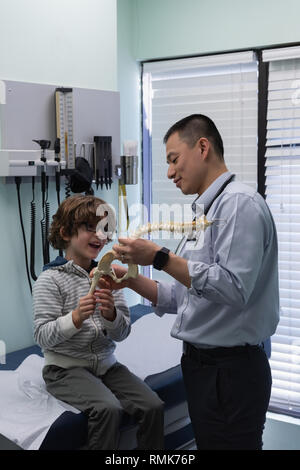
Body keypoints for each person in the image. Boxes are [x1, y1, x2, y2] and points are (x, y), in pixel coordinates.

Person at [107, 114, 280, 450]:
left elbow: (232, 287)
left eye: (174, 160)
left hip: (230, 373)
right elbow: (186, 296)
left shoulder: (238, 205)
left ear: (203, 147)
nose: (170, 172)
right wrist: (129, 280)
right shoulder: (207, 214)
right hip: (206, 369)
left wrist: (159, 256)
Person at [33, 194, 164, 450]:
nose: (99, 235)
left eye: (104, 229)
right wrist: (75, 318)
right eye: (89, 227)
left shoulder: (110, 275)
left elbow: (122, 333)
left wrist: (111, 316)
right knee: (108, 409)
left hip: (107, 366)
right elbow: (42, 335)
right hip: (64, 370)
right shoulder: (50, 280)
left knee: (153, 406)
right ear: (66, 232)